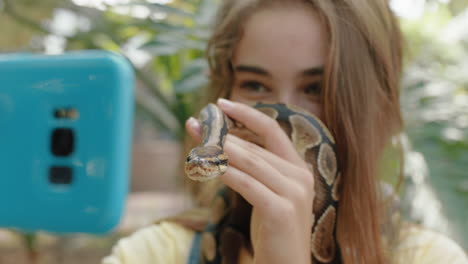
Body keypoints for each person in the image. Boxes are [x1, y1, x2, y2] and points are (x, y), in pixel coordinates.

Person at [102, 0, 468, 263]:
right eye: (255, 85)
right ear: (224, 95)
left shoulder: (429, 257)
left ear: (381, 110)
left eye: (315, 89)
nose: (278, 118)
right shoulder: (155, 253)